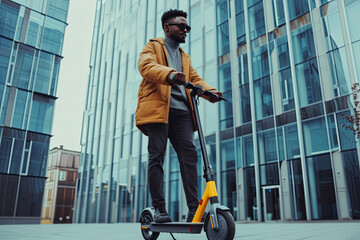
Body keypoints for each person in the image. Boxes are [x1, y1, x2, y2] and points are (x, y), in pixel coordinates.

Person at [135, 9, 223, 223]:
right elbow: (146, 66)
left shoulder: (184, 56)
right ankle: (159, 209)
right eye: (181, 26)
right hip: (158, 109)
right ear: (168, 27)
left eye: (188, 27)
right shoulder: (153, 46)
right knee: (157, 157)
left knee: (190, 157)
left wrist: (211, 91)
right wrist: (170, 74)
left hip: (183, 112)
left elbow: (194, 78)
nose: (186, 30)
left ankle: (195, 209)